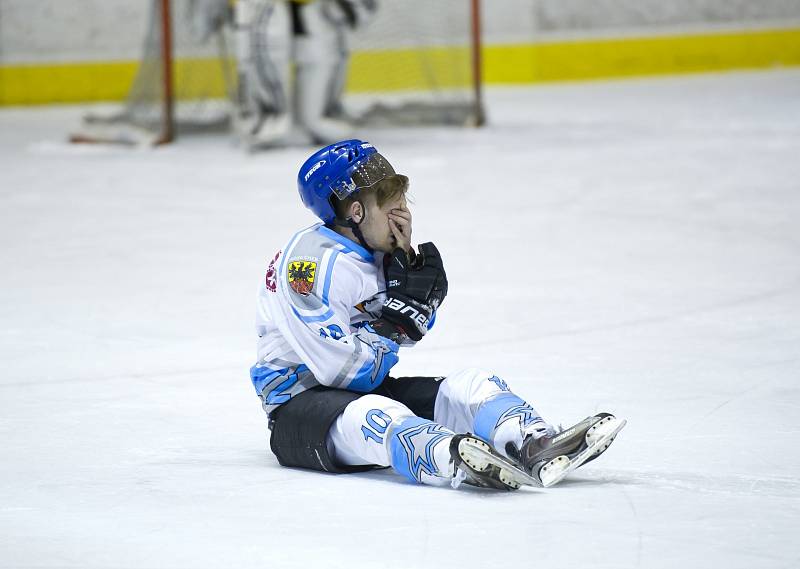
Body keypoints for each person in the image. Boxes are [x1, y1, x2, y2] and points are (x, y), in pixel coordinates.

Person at [250, 139, 625, 490]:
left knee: (471, 385)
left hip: (359, 392)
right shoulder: (311, 267)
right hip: (299, 414)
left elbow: (395, 342)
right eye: (388, 201)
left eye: (401, 198)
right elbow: (345, 373)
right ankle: (451, 459)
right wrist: (395, 323)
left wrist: (409, 305)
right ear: (355, 211)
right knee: (376, 412)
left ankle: (531, 444)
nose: (403, 212)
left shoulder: (380, 254)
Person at [234, 0, 375, 147]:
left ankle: (277, 121)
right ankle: (271, 120)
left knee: (313, 122)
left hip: (317, 35)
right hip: (306, 36)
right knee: (303, 123)